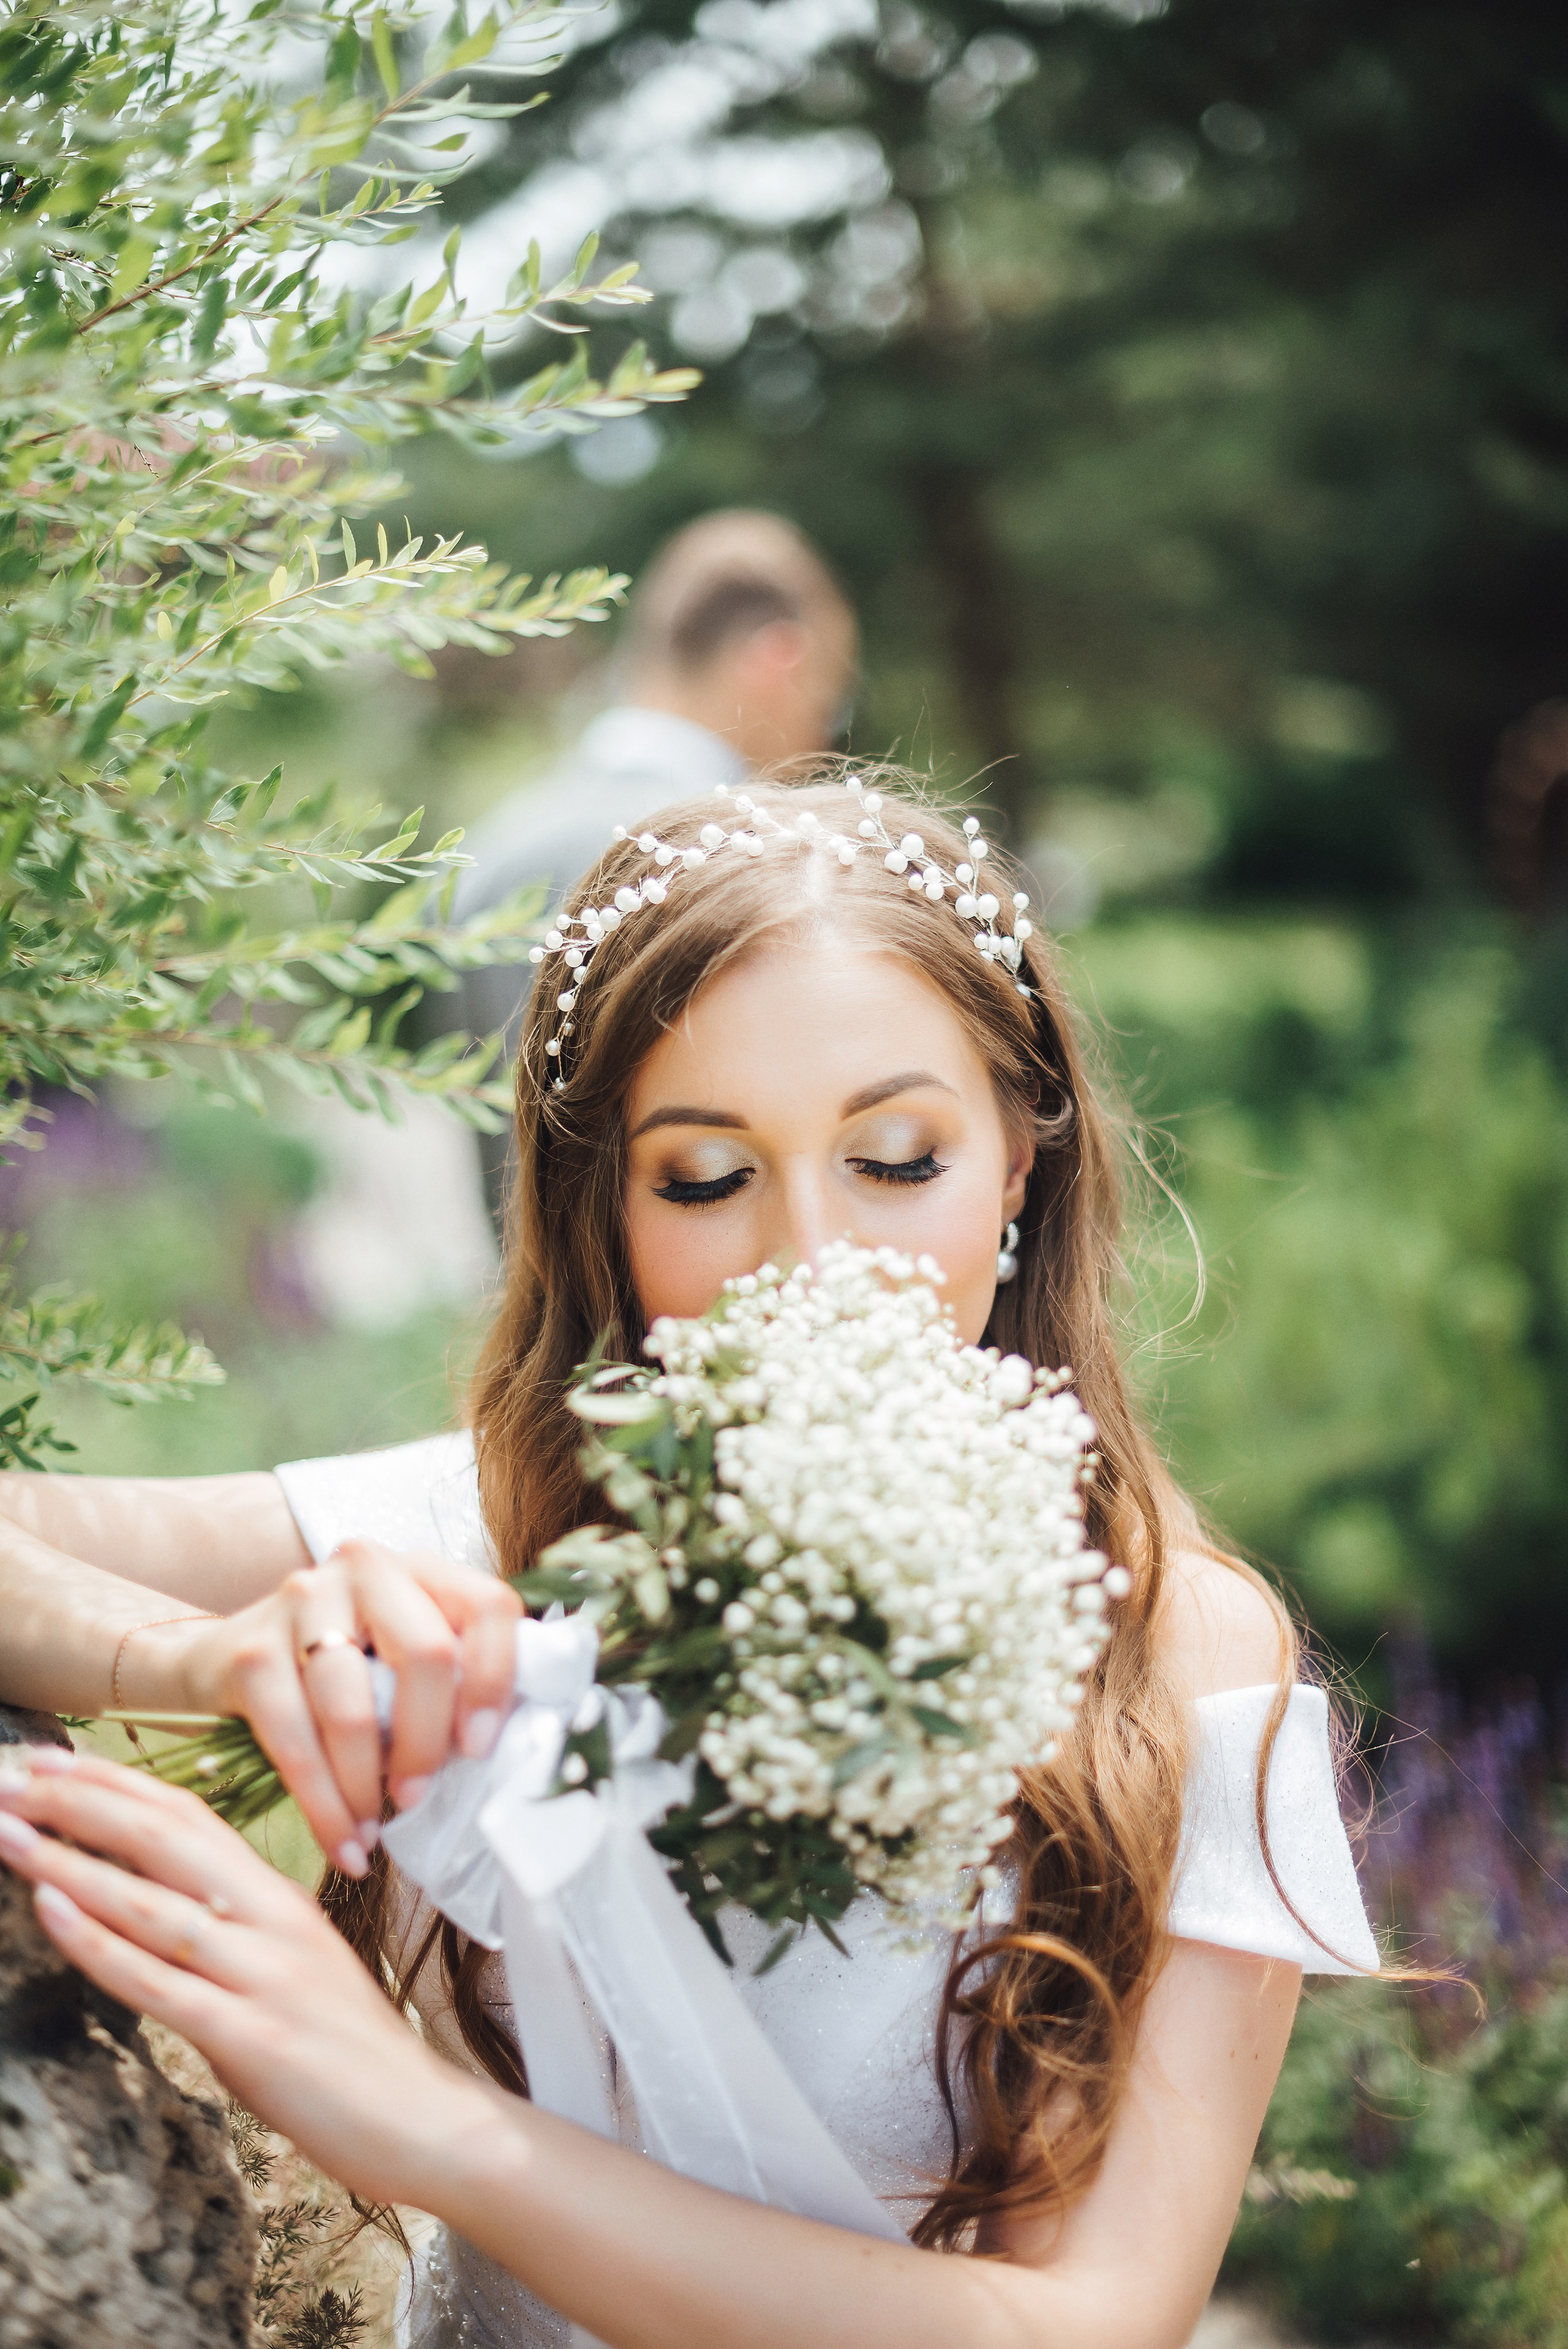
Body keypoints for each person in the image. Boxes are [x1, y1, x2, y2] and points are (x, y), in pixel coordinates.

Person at [0, 768, 1378, 2349]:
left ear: (1019, 1163)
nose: (811, 1260)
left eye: (899, 1155)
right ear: (609, 1213)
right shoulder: (505, 1541)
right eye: (708, 1177)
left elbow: (1096, 2322)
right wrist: (198, 1654)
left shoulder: (1190, 1659)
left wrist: (427, 2132)